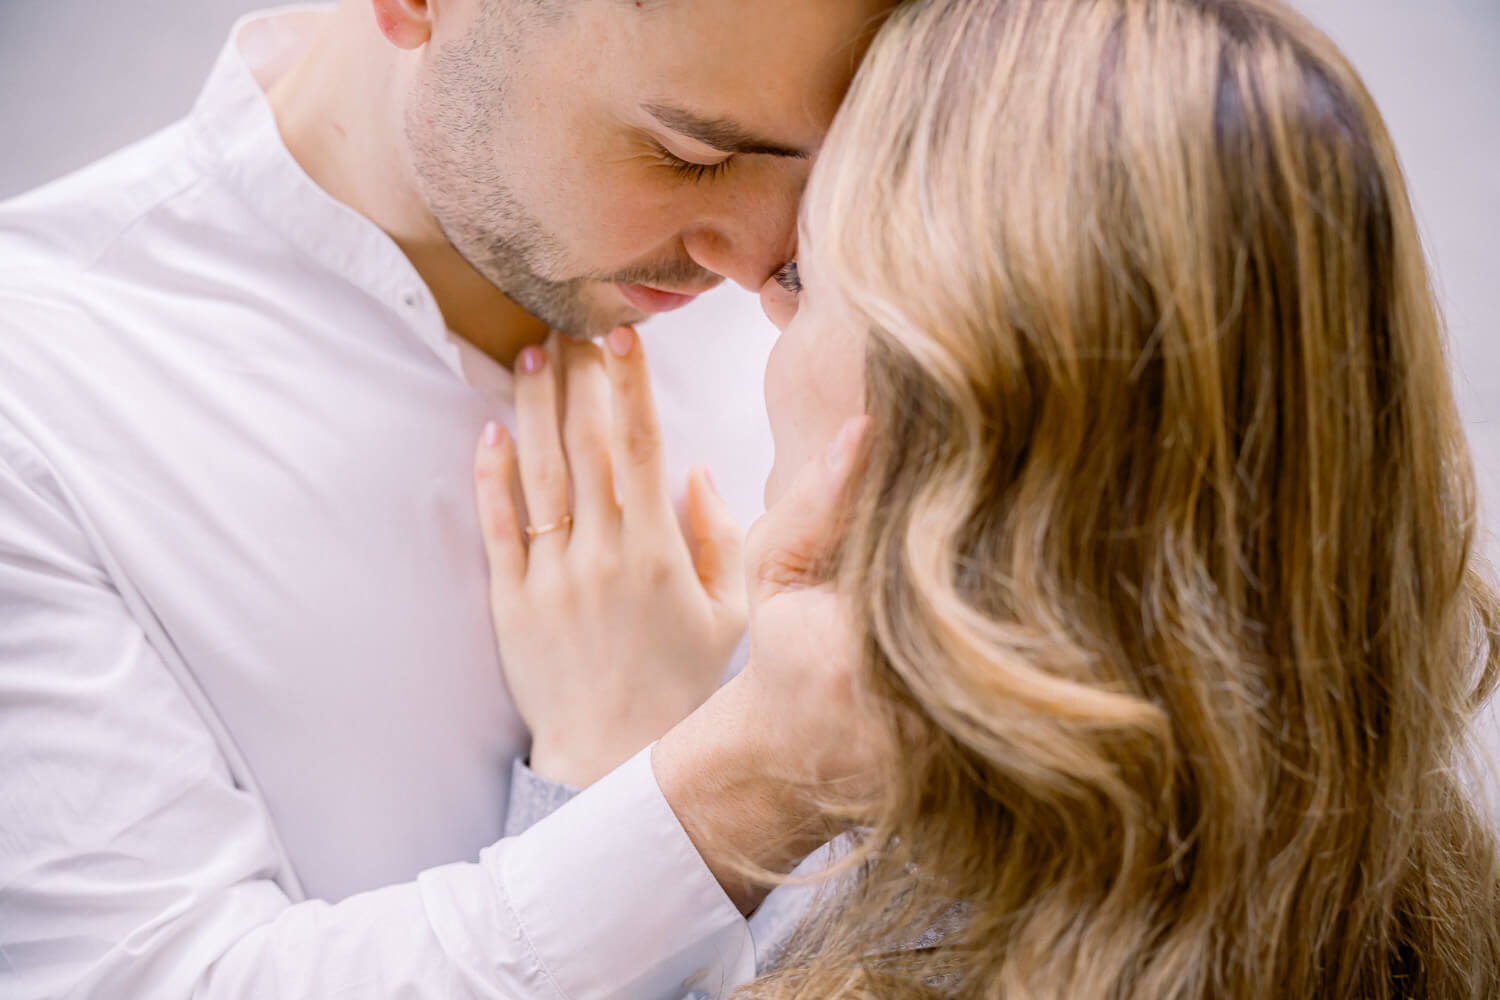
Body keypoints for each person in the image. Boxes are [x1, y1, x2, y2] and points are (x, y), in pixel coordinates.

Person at [475, 0, 1500, 995]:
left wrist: (612, 786)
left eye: (802, 275)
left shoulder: (914, 936)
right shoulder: (1407, 890)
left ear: (964, 395)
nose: (761, 323)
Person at [0, 0, 896, 997]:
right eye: (688, 156)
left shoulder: (882, 281)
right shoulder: (35, 414)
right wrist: (718, 789)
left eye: (819, 155)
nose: (766, 257)